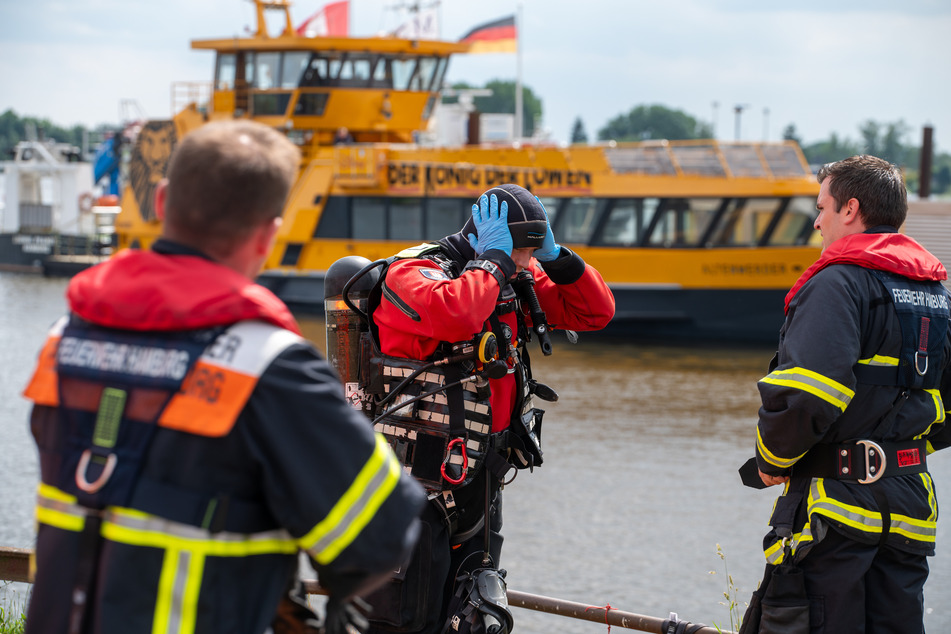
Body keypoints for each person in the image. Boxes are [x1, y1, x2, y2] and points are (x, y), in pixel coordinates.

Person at [22, 120, 426, 634]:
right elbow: (382, 535)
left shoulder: (65, 340)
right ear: (270, 234)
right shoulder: (269, 369)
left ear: (162, 201)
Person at [359, 184, 615, 634]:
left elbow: (595, 311)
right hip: (412, 485)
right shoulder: (414, 273)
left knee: (473, 612)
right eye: (519, 251)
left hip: (479, 477)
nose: (524, 263)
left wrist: (557, 259)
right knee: (406, 618)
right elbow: (455, 315)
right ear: (489, 238)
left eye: (529, 254)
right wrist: (494, 263)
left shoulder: (512, 279)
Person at [747, 155, 951, 632]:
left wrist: (771, 460)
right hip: (909, 506)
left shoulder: (837, 282)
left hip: (835, 510)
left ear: (851, 209)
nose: (816, 221)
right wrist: (901, 447)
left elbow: (807, 394)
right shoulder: (934, 293)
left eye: (822, 207)